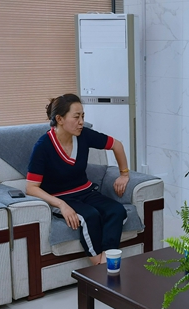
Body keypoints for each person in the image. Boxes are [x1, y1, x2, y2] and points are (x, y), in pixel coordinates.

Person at [26, 94, 130, 265]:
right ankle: (104, 266)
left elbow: (116, 145)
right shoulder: (43, 146)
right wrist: (61, 205)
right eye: (76, 117)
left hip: (86, 192)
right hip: (60, 197)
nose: (81, 122)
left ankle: (104, 263)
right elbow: (31, 187)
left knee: (117, 211)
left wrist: (124, 174)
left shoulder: (84, 135)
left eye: (83, 116)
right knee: (90, 216)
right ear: (59, 119)